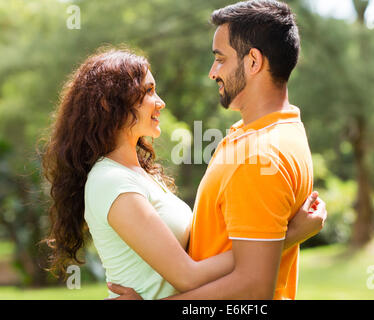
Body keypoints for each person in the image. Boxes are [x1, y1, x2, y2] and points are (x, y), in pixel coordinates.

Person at [41, 46, 325, 300]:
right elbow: (187, 275)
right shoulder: (110, 182)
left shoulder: (140, 174)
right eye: (148, 91)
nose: (160, 101)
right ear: (108, 105)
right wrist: (286, 237)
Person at [109, 0, 325, 300]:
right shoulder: (275, 130)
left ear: (253, 62)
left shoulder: (259, 156)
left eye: (220, 59)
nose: (213, 72)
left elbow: (252, 289)